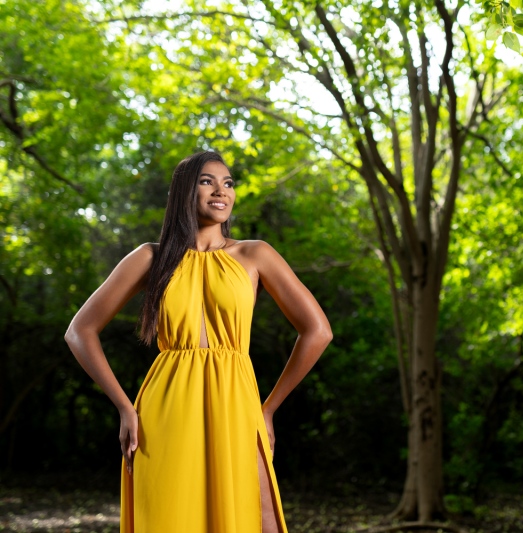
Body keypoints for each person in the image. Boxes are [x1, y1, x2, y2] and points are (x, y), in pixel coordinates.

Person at [64, 151, 333, 533]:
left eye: (228, 183)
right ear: (183, 192)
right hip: (164, 408)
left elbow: (318, 331)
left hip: (237, 402)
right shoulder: (150, 258)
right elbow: (79, 331)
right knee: (170, 519)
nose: (220, 191)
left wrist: (269, 409)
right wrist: (125, 408)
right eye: (207, 181)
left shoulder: (255, 254)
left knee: (260, 520)